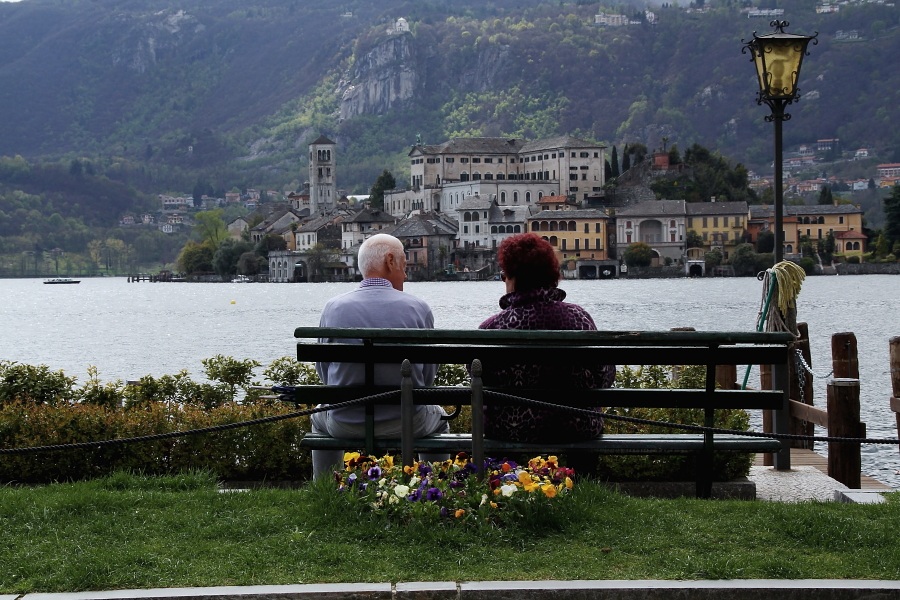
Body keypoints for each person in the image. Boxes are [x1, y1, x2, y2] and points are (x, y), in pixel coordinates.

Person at [310, 233, 449, 477]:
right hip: (408, 422)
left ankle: (326, 491)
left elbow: (325, 374)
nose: (406, 274)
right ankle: (434, 487)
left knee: (318, 417)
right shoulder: (418, 308)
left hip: (346, 423)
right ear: (390, 261)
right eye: (404, 265)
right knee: (440, 419)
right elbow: (427, 379)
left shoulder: (333, 308)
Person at [478, 232, 615, 449]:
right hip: (576, 427)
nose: (504, 281)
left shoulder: (492, 328)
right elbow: (605, 376)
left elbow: (478, 377)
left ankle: (505, 479)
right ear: (551, 275)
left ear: (513, 277)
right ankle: (583, 480)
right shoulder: (579, 318)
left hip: (511, 428)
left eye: (504, 275)